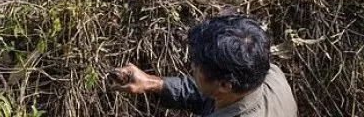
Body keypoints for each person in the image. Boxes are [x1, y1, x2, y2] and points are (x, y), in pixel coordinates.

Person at [110, 15, 297, 116]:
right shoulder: (270, 74)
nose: (192, 67)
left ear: (225, 84)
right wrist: (152, 83)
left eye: (197, 66)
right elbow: (209, 95)